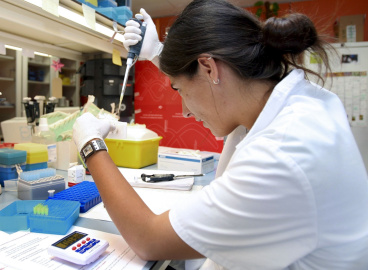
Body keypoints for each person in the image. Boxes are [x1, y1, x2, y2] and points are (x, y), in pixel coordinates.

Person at [72, 0, 368, 269]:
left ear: (209, 67)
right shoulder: (301, 102)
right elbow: (217, 82)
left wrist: (91, 145)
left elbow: (148, 239)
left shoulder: (279, 157)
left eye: (179, 90)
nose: (186, 111)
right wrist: (160, 53)